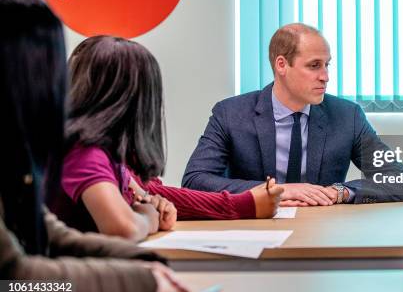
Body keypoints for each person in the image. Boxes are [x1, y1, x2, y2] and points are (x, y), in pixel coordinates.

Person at [0, 0, 188, 292]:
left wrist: (146, 265)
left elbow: (56, 238)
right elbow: (15, 281)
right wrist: (144, 282)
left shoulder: (17, 163)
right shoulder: (81, 152)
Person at [50, 36, 282, 240]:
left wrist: (147, 207)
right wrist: (148, 214)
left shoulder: (108, 153)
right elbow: (127, 227)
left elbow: (148, 194)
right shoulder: (84, 152)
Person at [182, 23, 403, 205]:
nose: (325, 76)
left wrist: (340, 192)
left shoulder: (347, 116)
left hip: (321, 231)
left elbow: (400, 181)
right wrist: (275, 192)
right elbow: (194, 180)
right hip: (254, 228)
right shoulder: (231, 114)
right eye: (314, 66)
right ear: (282, 65)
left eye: (327, 65)